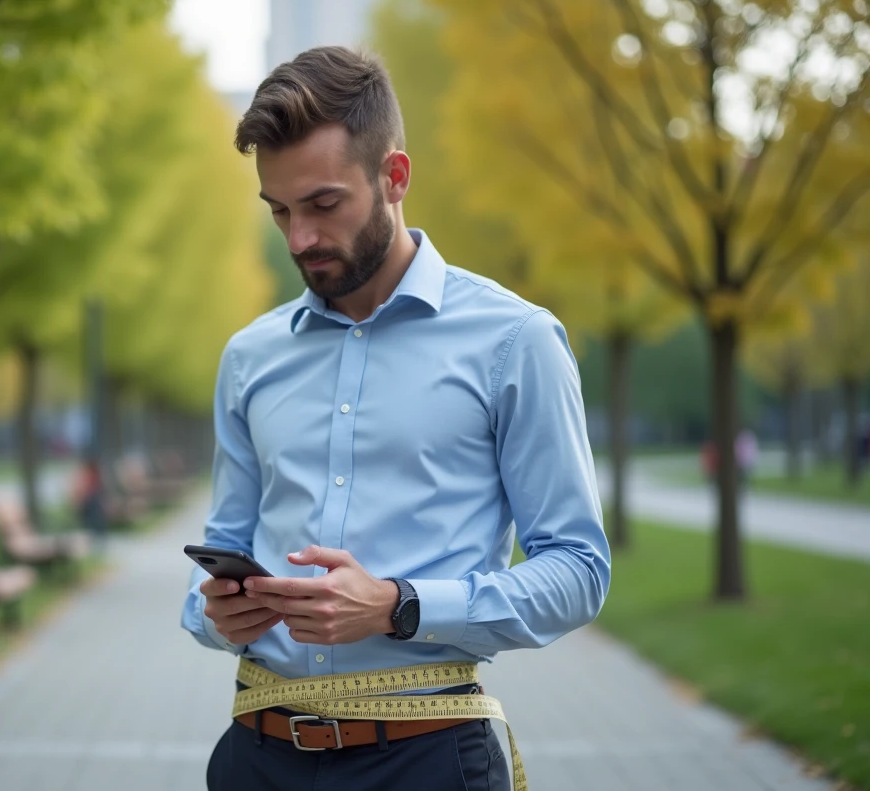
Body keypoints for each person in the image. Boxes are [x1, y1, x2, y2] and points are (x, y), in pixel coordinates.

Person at [180, 46, 611, 791]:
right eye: (279, 210)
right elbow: (225, 544)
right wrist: (216, 608)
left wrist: (399, 606)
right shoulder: (249, 357)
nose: (298, 240)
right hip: (256, 755)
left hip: (428, 759)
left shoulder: (516, 341)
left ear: (395, 177)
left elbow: (578, 571)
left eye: (322, 204)